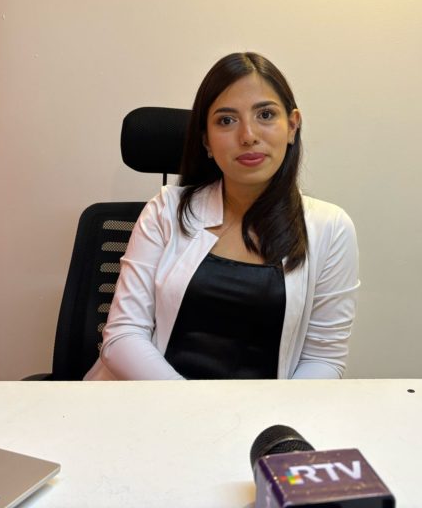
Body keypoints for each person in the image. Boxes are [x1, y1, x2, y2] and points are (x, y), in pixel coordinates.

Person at [84, 52, 359, 380]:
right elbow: (123, 335)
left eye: (266, 115)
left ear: (292, 126)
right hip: (156, 400)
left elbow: (323, 359)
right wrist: (195, 406)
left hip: (265, 409)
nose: (248, 135)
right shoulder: (165, 210)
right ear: (206, 141)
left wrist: (271, 412)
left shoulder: (330, 228)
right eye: (226, 120)